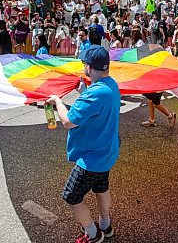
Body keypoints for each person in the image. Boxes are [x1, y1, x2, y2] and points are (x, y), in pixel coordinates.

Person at [46, 45, 120, 243]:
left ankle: (93, 234)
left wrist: (58, 102)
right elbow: (97, 107)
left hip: (91, 158)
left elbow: (68, 121)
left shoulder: (94, 94)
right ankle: (106, 225)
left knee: (71, 196)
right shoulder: (111, 85)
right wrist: (84, 92)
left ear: (88, 67)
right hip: (106, 152)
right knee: (101, 188)